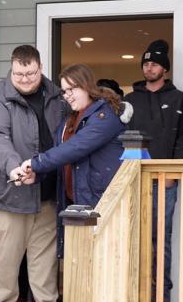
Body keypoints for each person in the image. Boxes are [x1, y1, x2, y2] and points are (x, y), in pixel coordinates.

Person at [0, 44, 68, 302]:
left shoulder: (57, 96)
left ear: (40, 68)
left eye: (30, 73)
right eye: (19, 74)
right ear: (12, 69)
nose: (25, 79)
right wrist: (14, 165)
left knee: (44, 253)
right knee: (7, 252)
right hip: (9, 187)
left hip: (47, 187)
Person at [124, 39, 183, 302]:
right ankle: (134, 297)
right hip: (133, 180)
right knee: (133, 239)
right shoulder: (130, 101)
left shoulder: (179, 99)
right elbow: (122, 140)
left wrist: (172, 174)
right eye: (145, 63)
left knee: (160, 241)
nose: (148, 67)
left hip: (165, 181)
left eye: (154, 63)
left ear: (164, 69)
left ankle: (160, 299)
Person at [19, 62, 129, 221]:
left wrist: (36, 163)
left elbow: (75, 148)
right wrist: (36, 173)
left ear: (86, 86)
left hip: (102, 204)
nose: (67, 95)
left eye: (72, 89)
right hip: (75, 203)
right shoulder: (69, 120)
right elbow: (60, 159)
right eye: (64, 91)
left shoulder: (105, 116)